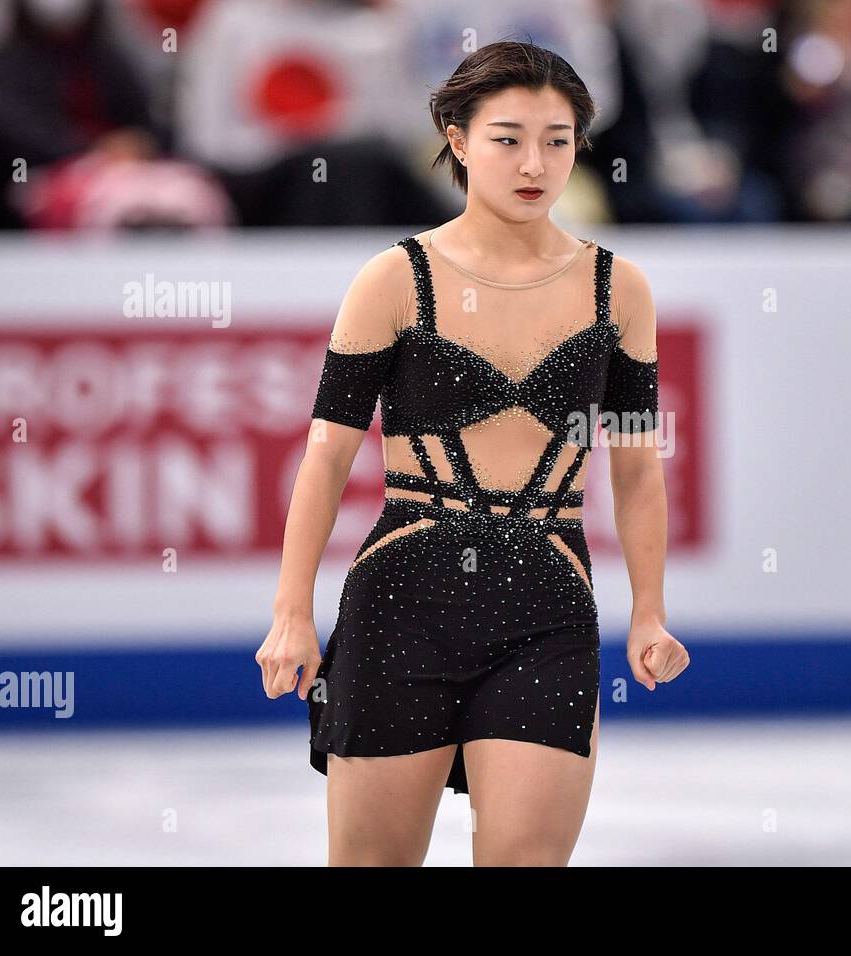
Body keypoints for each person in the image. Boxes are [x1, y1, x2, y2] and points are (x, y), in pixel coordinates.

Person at [256, 38, 688, 866]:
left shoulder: (618, 289)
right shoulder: (393, 278)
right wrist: (289, 614)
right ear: (458, 139)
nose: (535, 163)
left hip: (548, 608)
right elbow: (326, 458)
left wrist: (650, 610)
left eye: (557, 140)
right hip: (400, 606)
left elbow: (637, 470)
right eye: (508, 137)